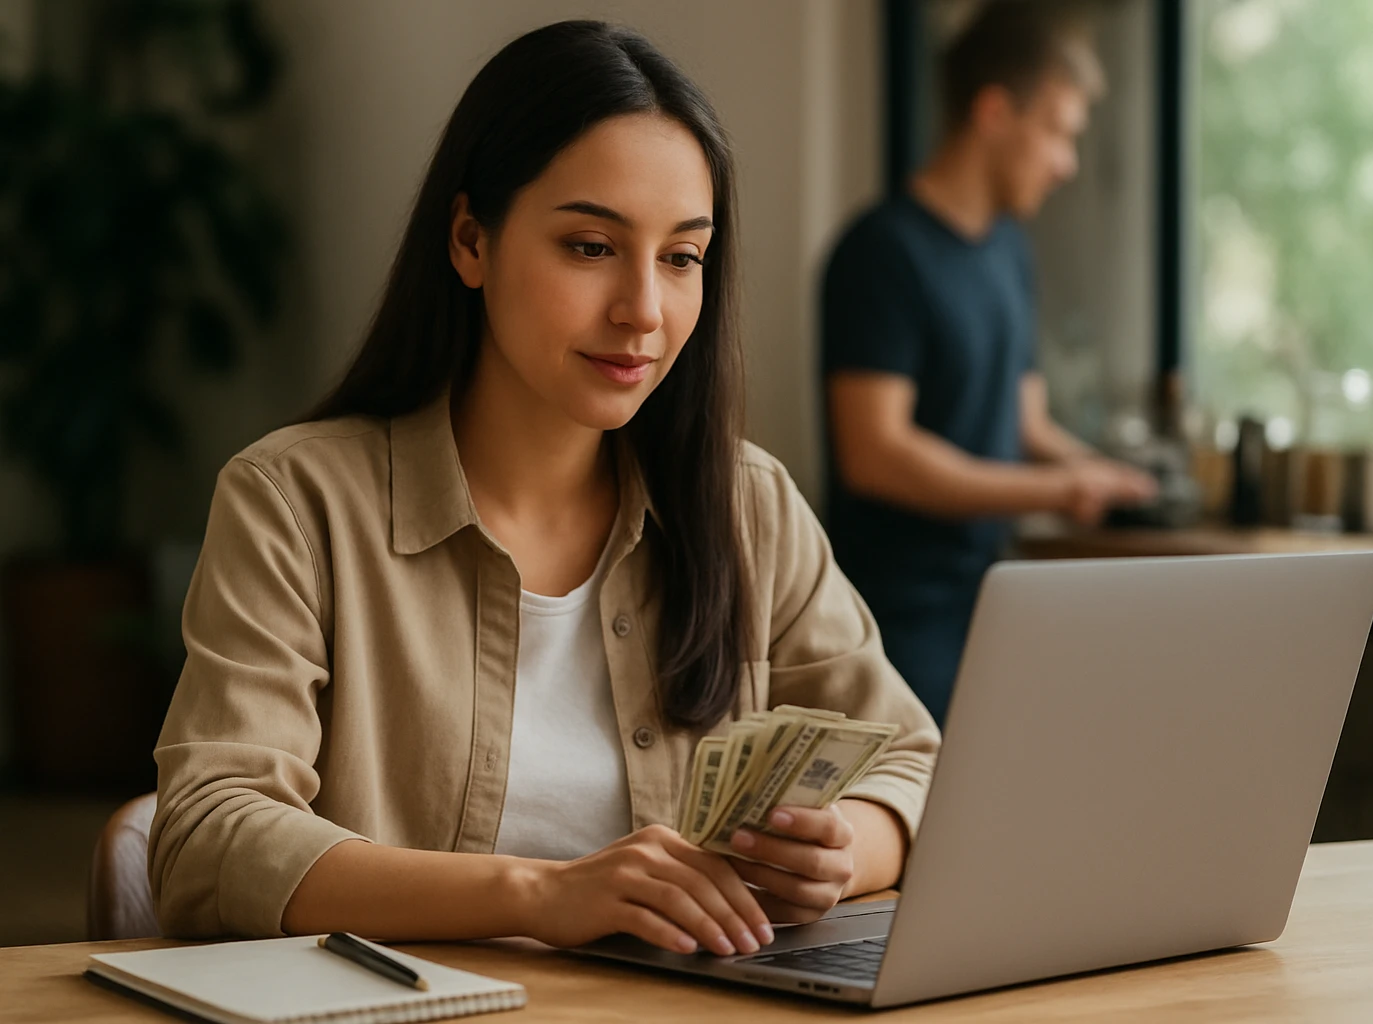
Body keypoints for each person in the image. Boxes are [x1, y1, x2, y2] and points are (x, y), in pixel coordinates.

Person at [148, 20, 938, 961]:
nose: (643, 309)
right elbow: (207, 836)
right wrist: (539, 894)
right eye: (591, 246)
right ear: (471, 240)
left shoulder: (745, 503)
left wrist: (846, 851)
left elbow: (911, 761)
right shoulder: (296, 503)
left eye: (683, 257)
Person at [820, 0, 1157, 726]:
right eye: (1060, 134)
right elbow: (875, 453)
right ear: (996, 111)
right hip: (893, 624)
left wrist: (1108, 476)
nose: (1068, 163)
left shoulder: (1009, 251)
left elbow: (1024, 420)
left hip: (994, 608)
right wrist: (1057, 489)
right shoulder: (881, 252)